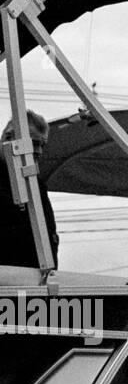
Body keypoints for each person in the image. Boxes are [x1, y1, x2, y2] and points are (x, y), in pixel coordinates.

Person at [1, 110, 58, 269]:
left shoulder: (36, 184)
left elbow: (49, 234)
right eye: (34, 143)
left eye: (42, 145)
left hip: (34, 283)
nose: (39, 151)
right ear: (8, 138)